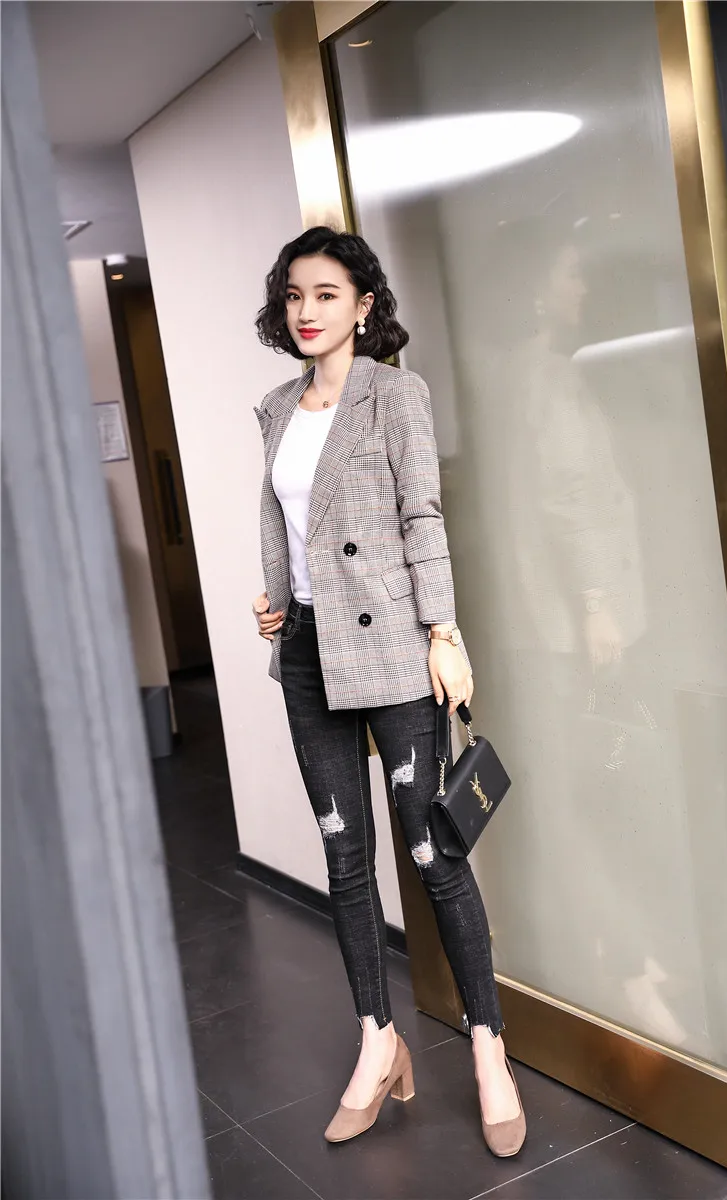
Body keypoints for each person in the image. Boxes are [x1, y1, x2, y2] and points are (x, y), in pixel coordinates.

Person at [250, 226, 525, 1156]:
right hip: (307, 651)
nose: (307, 311)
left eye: (327, 294)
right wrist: (277, 598)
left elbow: (420, 516)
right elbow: (289, 523)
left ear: (364, 305)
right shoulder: (275, 407)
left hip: (393, 650)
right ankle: (378, 1042)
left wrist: (444, 634)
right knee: (344, 857)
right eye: (295, 295)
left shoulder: (395, 395)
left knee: (432, 850)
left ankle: (488, 1050)